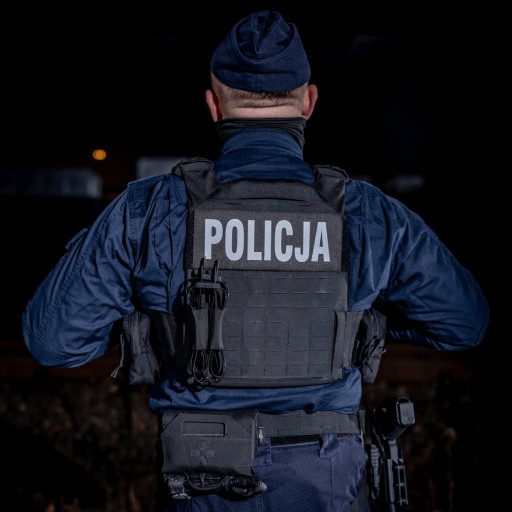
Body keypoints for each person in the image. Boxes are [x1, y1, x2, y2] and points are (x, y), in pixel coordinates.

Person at [22, 10, 489, 512]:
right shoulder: (369, 214)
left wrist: (157, 330)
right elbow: (465, 323)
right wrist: (361, 325)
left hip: (199, 483)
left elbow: (52, 340)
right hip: (326, 483)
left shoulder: (148, 209)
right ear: (308, 102)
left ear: (213, 105)